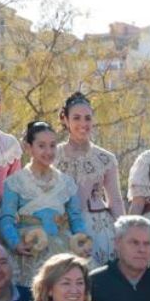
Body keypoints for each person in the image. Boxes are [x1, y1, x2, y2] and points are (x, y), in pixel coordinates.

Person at [0, 121, 87, 284]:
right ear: (28, 147)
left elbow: (76, 217)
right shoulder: (15, 182)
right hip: (30, 248)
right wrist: (15, 243)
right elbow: (6, 218)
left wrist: (82, 240)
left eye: (52, 146)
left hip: (62, 246)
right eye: (41, 146)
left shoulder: (66, 183)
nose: (48, 151)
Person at [54, 92, 126, 266]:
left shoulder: (106, 158)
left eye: (87, 118)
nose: (83, 124)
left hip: (99, 229)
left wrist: (126, 234)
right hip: (61, 227)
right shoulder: (52, 155)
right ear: (65, 119)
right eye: (76, 118)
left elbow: (115, 200)